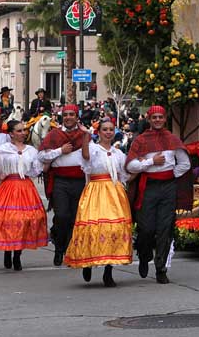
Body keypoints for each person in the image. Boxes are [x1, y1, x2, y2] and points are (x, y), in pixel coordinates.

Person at [125, 105, 191, 284]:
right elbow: (130, 166)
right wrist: (150, 162)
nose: (157, 120)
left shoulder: (172, 139)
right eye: (154, 117)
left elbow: (185, 164)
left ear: (165, 119)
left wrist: (170, 174)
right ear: (149, 119)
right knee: (146, 228)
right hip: (148, 186)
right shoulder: (141, 140)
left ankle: (161, 268)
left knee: (165, 228)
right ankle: (144, 254)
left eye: (160, 117)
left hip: (168, 187)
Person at [65, 119, 133, 287]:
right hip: (96, 191)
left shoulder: (118, 153)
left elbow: (126, 174)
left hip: (115, 192)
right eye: (105, 129)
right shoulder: (94, 149)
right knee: (93, 227)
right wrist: (87, 136)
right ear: (99, 132)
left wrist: (146, 166)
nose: (108, 132)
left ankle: (108, 271)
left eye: (111, 129)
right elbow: (86, 157)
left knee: (113, 229)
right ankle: (88, 262)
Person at [0, 120, 48, 271]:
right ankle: (8, 250)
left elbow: (36, 170)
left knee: (25, 220)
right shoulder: (4, 149)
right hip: (9, 186)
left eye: (24, 130)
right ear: (11, 134)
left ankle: (17, 253)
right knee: (9, 219)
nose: (23, 133)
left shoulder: (31, 150)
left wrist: (46, 162)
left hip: (25, 186)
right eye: (19, 130)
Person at [37, 104, 88, 267]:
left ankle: (69, 250)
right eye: (65, 114)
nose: (68, 117)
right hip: (60, 181)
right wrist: (60, 151)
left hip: (79, 181)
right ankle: (59, 248)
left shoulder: (84, 135)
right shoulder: (54, 135)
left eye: (71, 114)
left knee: (75, 217)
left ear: (76, 116)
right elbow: (42, 156)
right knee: (62, 215)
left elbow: (91, 156)